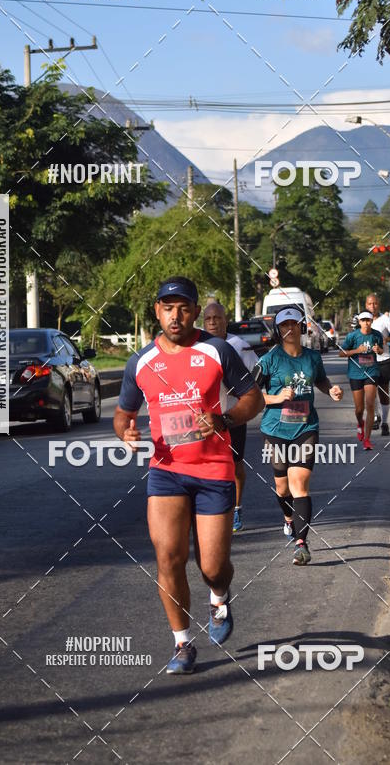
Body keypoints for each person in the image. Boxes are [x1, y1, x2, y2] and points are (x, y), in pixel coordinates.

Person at [114, 277, 264, 675]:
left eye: (183, 308)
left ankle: (219, 595)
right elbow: (123, 412)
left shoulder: (217, 351)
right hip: (166, 472)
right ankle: (182, 643)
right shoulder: (141, 362)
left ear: (196, 313)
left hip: (214, 470)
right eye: (167, 307)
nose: (175, 315)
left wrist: (225, 418)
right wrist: (125, 431)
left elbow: (254, 397)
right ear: (157, 312)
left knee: (212, 566)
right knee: (168, 558)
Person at [254, 306, 343, 565]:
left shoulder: (313, 357)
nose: (290, 329)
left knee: (299, 484)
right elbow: (249, 393)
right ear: (278, 330)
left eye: (294, 324)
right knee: (282, 488)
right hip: (275, 429)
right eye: (284, 325)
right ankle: (288, 518)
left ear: (302, 327)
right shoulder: (269, 360)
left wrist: (332, 390)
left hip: (306, 427)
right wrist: (276, 397)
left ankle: (301, 543)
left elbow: (322, 381)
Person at [203, 302, 259, 533]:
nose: (213, 322)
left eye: (217, 318)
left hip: (233, 416)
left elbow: (255, 377)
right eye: (208, 319)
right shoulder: (197, 346)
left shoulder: (239, 346)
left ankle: (236, 508)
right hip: (205, 418)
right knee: (207, 466)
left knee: (234, 466)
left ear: (226, 320)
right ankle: (211, 511)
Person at [339, 312, 383, 450]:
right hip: (356, 373)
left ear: (371, 321)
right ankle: (360, 423)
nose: (366, 323)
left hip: (372, 372)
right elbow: (341, 353)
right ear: (359, 322)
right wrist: (357, 350)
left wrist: (378, 350)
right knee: (359, 409)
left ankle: (367, 439)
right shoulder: (352, 336)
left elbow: (381, 351)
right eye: (363, 320)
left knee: (370, 404)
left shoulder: (377, 335)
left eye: (368, 320)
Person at [365, 293, 390, 435]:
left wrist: (386, 339)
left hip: (384, 360)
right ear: (366, 305)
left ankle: (385, 422)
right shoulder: (362, 320)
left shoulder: (385, 319)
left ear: (379, 305)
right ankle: (375, 416)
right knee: (370, 394)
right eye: (370, 304)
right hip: (368, 362)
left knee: (383, 393)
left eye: (375, 303)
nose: (373, 306)